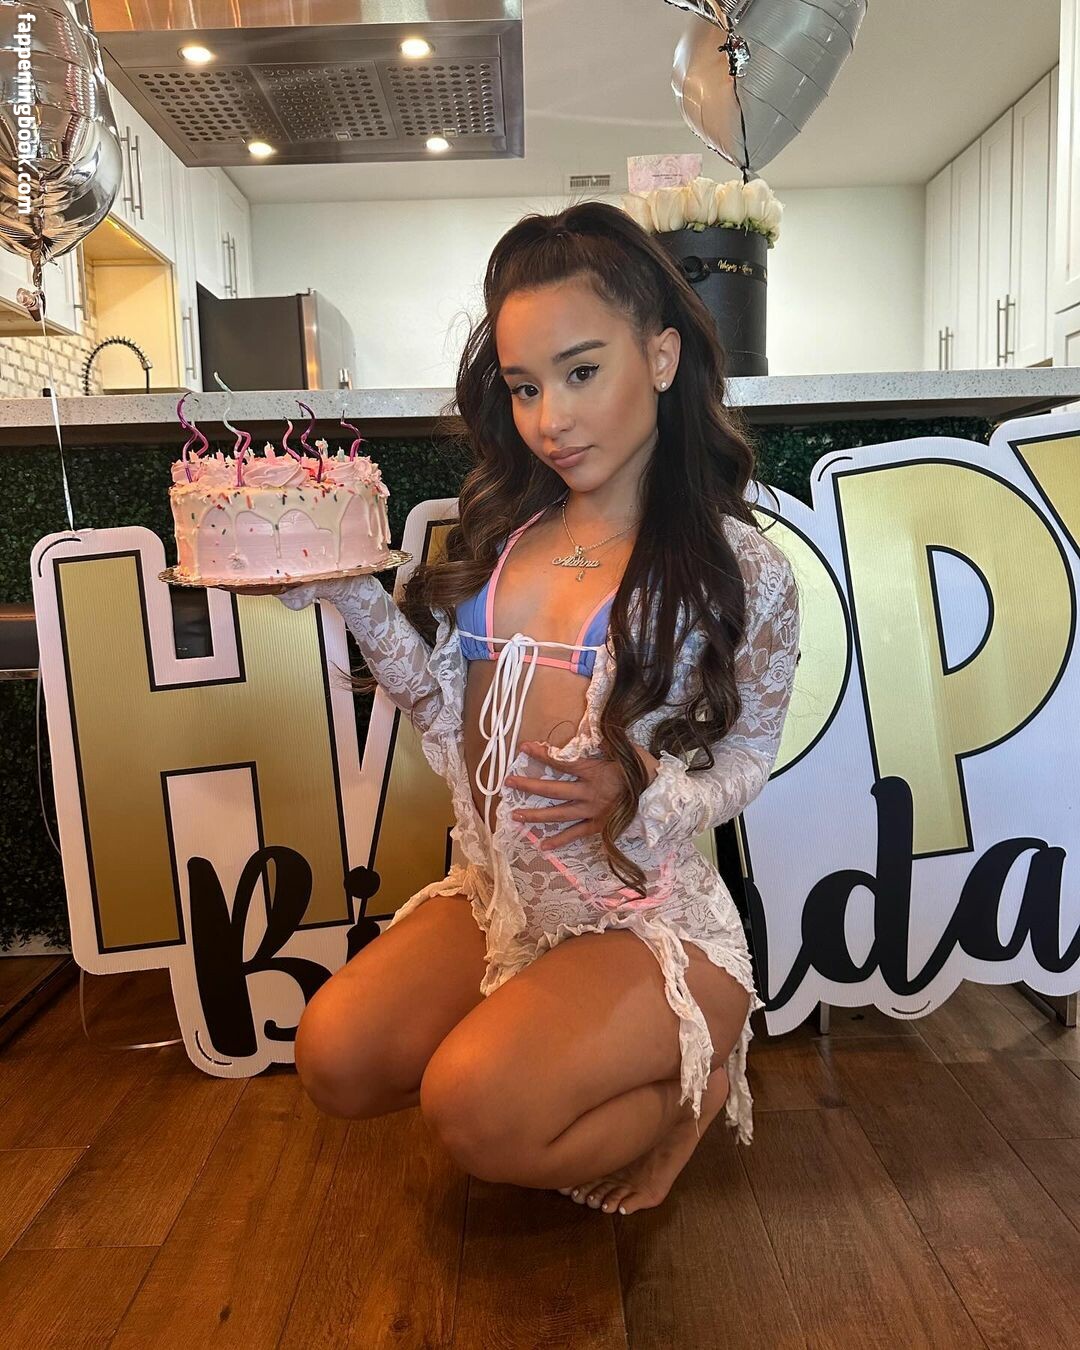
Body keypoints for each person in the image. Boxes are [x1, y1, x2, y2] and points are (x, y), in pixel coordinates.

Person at [237, 201, 801, 1217]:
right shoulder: (503, 537)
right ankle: (541, 1039)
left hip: (647, 921)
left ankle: (696, 1090)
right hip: (500, 902)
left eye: (582, 373)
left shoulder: (737, 567)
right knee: (335, 1059)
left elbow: (750, 758)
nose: (551, 420)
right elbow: (439, 711)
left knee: (476, 1112)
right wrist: (352, 595)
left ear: (662, 356)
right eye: (526, 386)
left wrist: (645, 793)